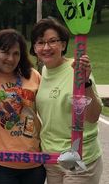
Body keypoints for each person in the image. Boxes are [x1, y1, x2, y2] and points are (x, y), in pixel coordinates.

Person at [29, 17, 103, 184]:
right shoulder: (43, 73)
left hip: (78, 157)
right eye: (40, 42)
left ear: (63, 45)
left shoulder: (76, 69)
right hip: (52, 158)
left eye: (52, 41)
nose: (46, 47)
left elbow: (93, 116)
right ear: (34, 48)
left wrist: (85, 83)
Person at [0, 29, 46, 184]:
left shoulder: (33, 76)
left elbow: (48, 111)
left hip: (34, 163)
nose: (10, 58)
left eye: (16, 53)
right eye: (5, 52)